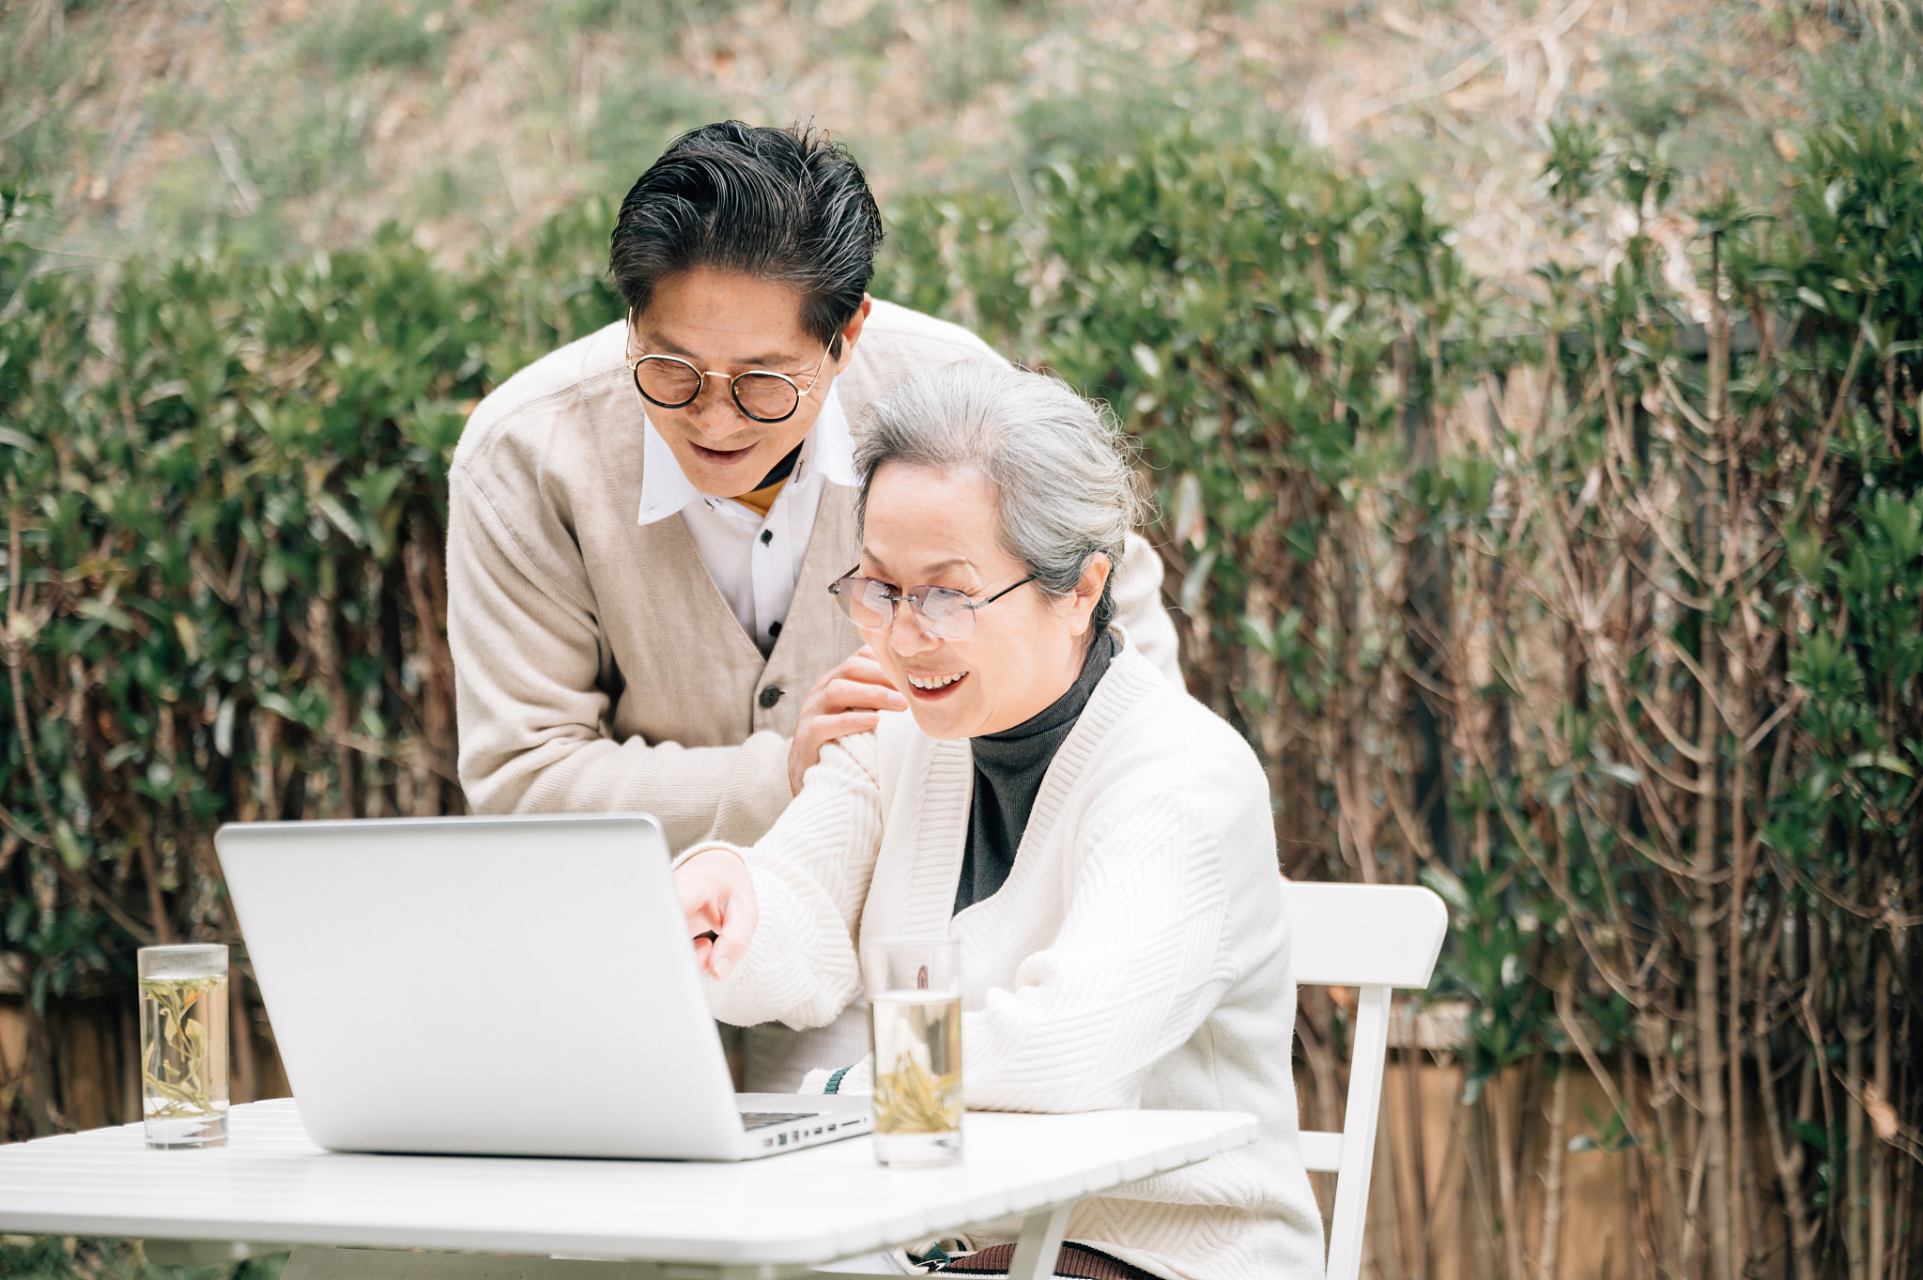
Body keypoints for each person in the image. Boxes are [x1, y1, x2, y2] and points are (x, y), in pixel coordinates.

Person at [446, 122, 1180, 1088]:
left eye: (762, 383)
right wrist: (785, 774)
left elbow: (1114, 640)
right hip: (632, 948)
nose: (711, 417)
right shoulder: (527, 452)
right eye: (670, 371)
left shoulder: (954, 404)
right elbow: (521, 782)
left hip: (911, 939)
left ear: (847, 335)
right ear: (630, 322)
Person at [672, 363, 1324, 1280]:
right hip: (960, 1247)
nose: (903, 637)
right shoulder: (902, 729)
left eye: (946, 595)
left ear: (1082, 590)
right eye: (879, 588)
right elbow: (801, 919)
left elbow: (1064, 1053)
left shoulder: (1182, 780)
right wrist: (725, 901)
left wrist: (841, 1095)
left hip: (1153, 1252)